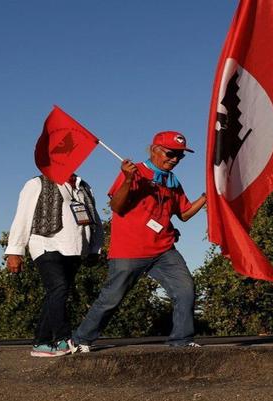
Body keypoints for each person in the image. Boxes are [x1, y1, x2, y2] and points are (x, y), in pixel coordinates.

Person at [70, 130, 207, 352]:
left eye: (180, 156)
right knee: (112, 298)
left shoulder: (173, 182)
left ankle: (182, 341)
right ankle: (81, 340)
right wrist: (128, 179)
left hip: (163, 249)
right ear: (155, 150)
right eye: (171, 154)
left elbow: (184, 214)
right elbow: (116, 206)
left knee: (185, 289)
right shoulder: (135, 172)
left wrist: (205, 197)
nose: (174, 160)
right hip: (130, 250)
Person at [4, 171, 103, 357]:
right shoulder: (37, 183)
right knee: (59, 286)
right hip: (45, 243)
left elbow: (95, 219)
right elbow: (22, 217)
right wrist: (14, 251)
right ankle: (63, 339)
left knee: (57, 293)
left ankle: (41, 343)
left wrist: (95, 248)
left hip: (75, 247)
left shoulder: (84, 186)